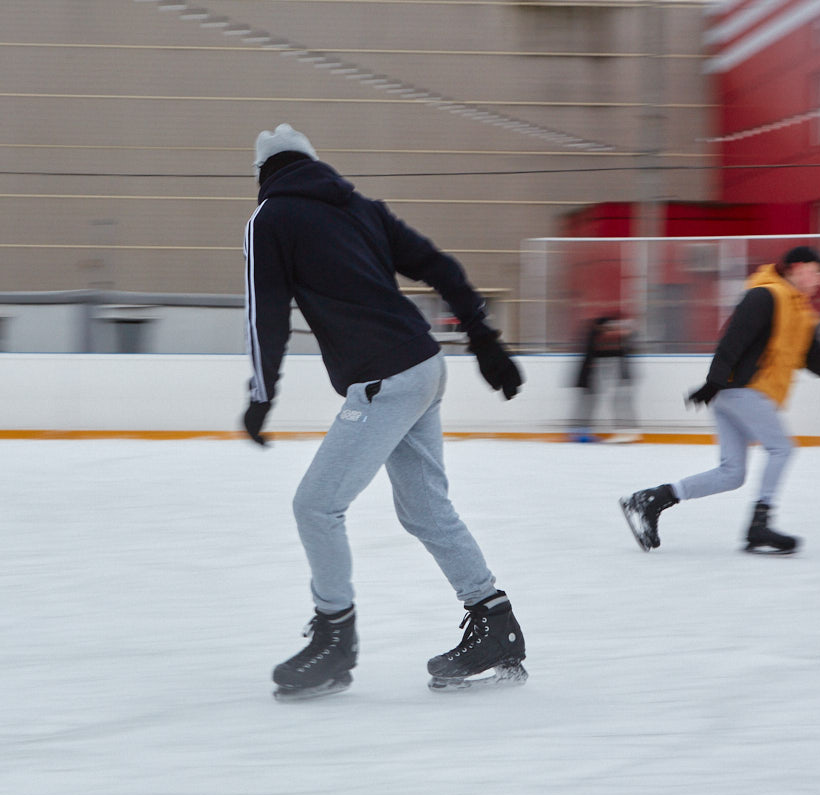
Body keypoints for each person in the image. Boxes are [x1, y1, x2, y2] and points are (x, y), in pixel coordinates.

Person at [242, 124, 528, 700]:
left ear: (263, 174)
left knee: (316, 506)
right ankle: (495, 624)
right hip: (424, 367)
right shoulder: (360, 208)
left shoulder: (270, 218)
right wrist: (484, 341)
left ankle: (334, 641)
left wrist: (261, 392)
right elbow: (440, 265)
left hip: (385, 379)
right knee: (425, 509)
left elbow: (264, 312)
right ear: (313, 164)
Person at [620, 246, 820, 555]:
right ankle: (759, 525)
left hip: (737, 394)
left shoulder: (804, 315)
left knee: (732, 474)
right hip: (743, 389)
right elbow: (733, 339)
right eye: (817, 269)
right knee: (782, 447)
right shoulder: (766, 295)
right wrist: (713, 381)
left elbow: (813, 362)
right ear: (796, 267)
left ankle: (651, 499)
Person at [572, 314, 637, 442]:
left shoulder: (594, 337)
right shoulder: (594, 338)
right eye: (605, 327)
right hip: (587, 378)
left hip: (588, 378)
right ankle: (580, 433)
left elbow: (604, 352)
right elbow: (602, 352)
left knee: (587, 405)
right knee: (587, 406)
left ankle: (581, 432)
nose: (608, 330)